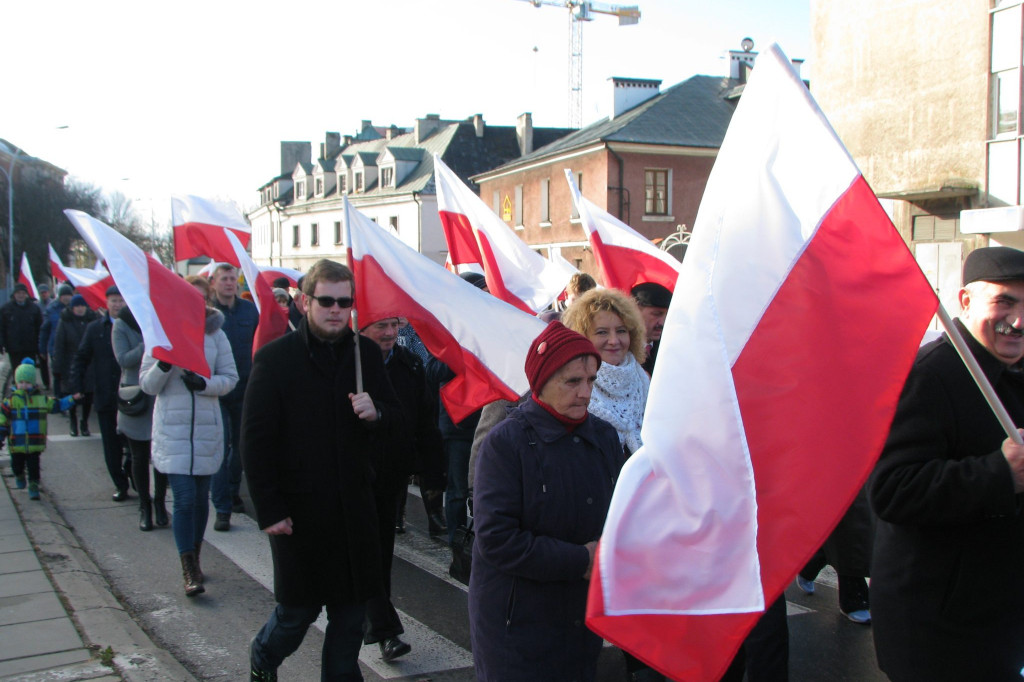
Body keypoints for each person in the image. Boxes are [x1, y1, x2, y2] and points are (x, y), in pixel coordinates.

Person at [242, 259, 402, 682]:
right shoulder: (276, 359)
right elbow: (255, 442)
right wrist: (270, 509)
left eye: (344, 302)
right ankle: (263, 655)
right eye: (326, 301)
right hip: (300, 516)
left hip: (354, 512)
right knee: (296, 615)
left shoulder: (364, 352)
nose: (336, 310)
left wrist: (378, 412)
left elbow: (397, 419)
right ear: (305, 301)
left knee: (350, 621)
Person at [870, 246, 1024, 681]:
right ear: (966, 301)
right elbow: (891, 490)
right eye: (1004, 302)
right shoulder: (931, 375)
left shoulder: (1017, 369)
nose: (1019, 320)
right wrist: (999, 473)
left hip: (1000, 616)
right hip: (941, 627)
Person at [469, 321, 625, 681]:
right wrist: (581, 559)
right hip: (516, 625)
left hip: (578, 617)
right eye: (572, 381)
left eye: (591, 381)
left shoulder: (602, 436)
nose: (585, 392)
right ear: (541, 383)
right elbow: (497, 539)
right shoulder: (506, 443)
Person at [359, 315, 444, 662]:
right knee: (363, 554)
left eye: (395, 324)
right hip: (348, 479)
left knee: (378, 554)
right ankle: (384, 629)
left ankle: (377, 626)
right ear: (360, 326)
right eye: (381, 325)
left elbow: (425, 420)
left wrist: (433, 473)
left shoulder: (409, 365)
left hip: (389, 476)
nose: (391, 333)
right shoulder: (342, 367)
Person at [140, 306, 237, 596]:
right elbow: (147, 384)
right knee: (183, 499)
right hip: (174, 429)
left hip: (206, 429)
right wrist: (164, 366)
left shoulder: (216, 334)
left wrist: (204, 384)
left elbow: (230, 378)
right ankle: (188, 567)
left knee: (199, 500)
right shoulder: (161, 336)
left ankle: (195, 555)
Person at [563, 288, 649, 456]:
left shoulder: (643, 380)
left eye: (621, 331)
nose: (614, 341)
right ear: (582, 336)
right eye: (602, 332)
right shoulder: (569, 386)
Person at [69, 286, 131, 501]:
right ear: (106, 303)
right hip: (105, 394)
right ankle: (120, 484)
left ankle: (131, 471)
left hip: (131, 396)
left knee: (133, 443)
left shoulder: (135, 326)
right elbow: (81, 357)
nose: (117, 304)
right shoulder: (95, 329)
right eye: (113, 300)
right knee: (111, 445)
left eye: (121, 300)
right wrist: (76, 386)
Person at [209, 263, 258, 531]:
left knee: (239, 448)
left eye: (232, 278)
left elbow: (261, 341)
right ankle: (222, 507)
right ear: (214, 283)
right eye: (224, 278)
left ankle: (231, 490)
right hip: (217, 390)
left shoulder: (249, 310)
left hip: (245, 388)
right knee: (221, 447)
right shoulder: (208, 315)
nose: (229, 283)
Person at [113, 304, 167, 532]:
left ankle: (160, 503)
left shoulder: (158, 318)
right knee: (139, 454)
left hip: (157, 390)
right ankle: (144, 505)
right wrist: (147, 343)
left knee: (160, 455)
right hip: (134, 396)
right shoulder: (121, 323)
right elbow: (124, 360)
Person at [0, 359, 76, 499]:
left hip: (34, 443)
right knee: (16, 465)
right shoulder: (11, 400)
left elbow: (56, 405)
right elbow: (2, 418)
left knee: (34, 466)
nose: (24, 385)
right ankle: (19, 475)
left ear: (33, 383)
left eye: (27, 382)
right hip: (17, 443)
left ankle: (34, 485)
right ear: (16, 383)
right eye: (21, 382)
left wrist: (71, 399)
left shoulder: (40, 399)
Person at [53, 294, 96, 437]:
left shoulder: (92, 320)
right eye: (77, 306)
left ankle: (84, 422)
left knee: (88, 396)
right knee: (72, 395)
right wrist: (57, 367)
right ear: (72, 308)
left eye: (82, 305)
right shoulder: (65, 321)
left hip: (89, 364)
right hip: (69, 364)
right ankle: (73, 423)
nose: (80, 308)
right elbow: (59, 346)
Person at [0, 282, 43, 394]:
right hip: (14, 347)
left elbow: (40, 327)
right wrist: (2, 344)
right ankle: (18, 391)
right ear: (14, 294)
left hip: (30, 346)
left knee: (29, 369)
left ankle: (31, 390)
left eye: (23, 293)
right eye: (18, 293)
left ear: (26, 294)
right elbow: (2, 328)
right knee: (16, 369)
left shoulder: (34, 309)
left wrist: (40, 345)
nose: (20, 295)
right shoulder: (6, 309)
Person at [630, 282, 671, 375]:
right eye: (656, 314)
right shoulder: (621, 348)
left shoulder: (668, 349)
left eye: (667, 316)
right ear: (635, 310)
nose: (662, 323)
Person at [39, 284, 73, 395]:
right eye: (64, 295)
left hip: (73, 347)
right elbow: (44, 330)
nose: (66, 298)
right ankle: (58, 397)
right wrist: (42, 349)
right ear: (60, 296)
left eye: (69, 295)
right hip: (55, 348)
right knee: (57, 373)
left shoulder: (77, 308)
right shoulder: (52, 309)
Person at [34, 283, 51, 389]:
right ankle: (46, 383)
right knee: (42, 361)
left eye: (45, 292)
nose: (43, 294)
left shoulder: (53, 304)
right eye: (41, 293)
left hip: (52, 334)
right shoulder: (36, 306)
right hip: (41, 334)